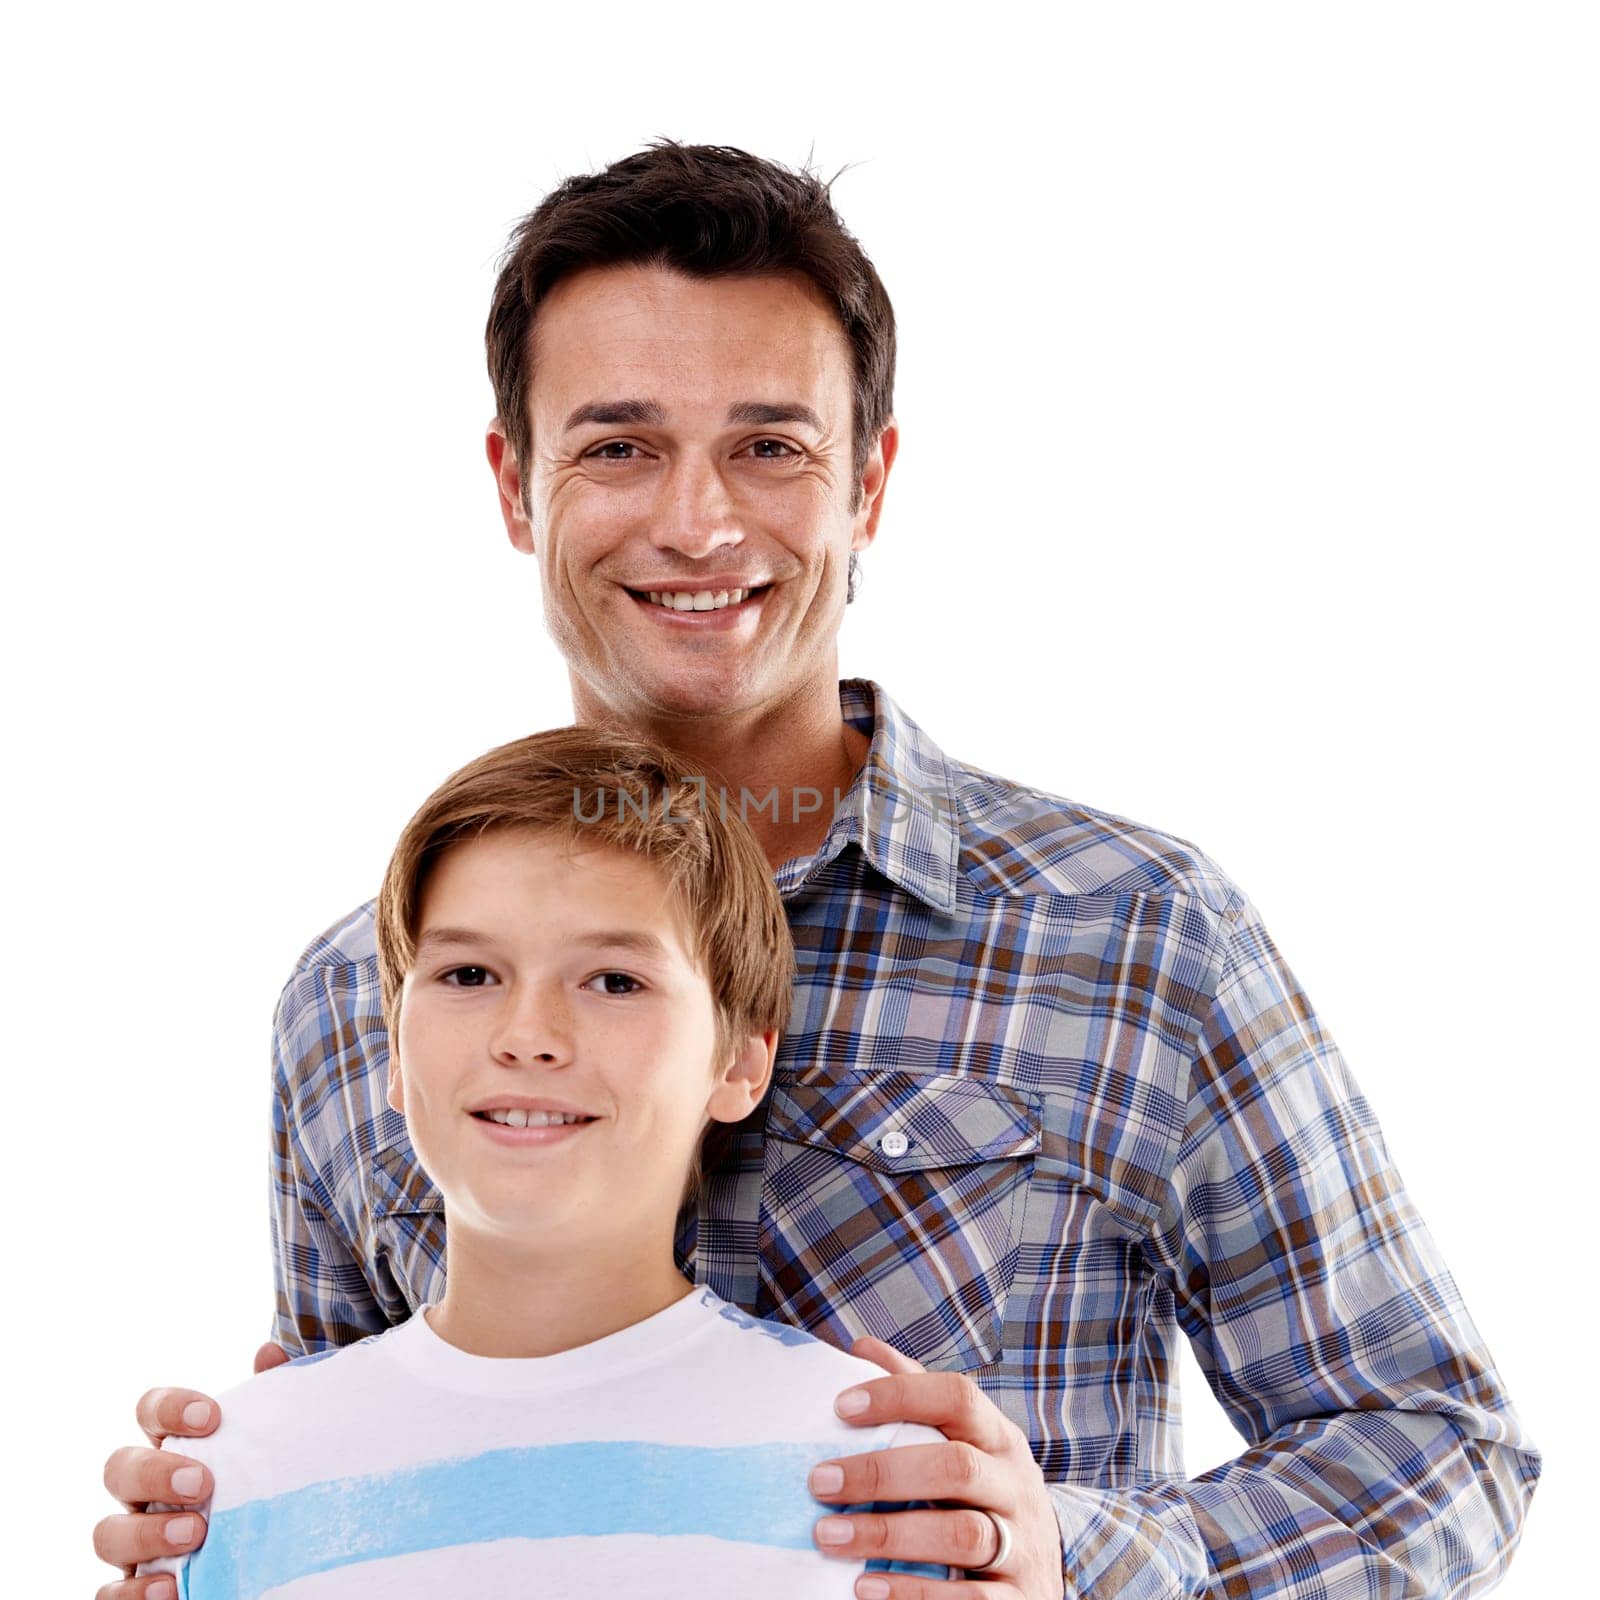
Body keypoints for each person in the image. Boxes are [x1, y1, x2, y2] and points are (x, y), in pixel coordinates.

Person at [98, 142, 1539, 1600]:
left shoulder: (1129, 933)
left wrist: (1073, 1557)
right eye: (617, 445)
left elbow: (1436, 1445)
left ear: (871, 483)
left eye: (771, 446)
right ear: (515, 489)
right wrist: (232, 1526)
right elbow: (392, 1461)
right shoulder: (358, 994)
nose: (698, 522)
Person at [139, 725, 950, 1597]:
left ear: (741, 1063)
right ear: (394, 1057)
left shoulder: (874, 1468)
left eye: (614, 982)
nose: (528, 1037)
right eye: (468, 975)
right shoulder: (236, 1472)